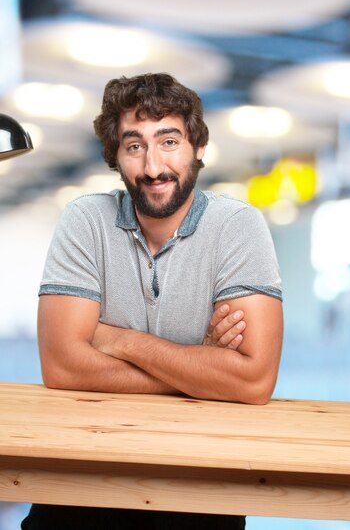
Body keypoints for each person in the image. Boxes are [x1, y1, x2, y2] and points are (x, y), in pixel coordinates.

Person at [22, 73, 283, 530]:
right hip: (80, 485)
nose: (153, 166)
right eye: (134, 145)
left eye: (169, 141)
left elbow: (253, 381)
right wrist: (202, 373)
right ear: (116, 157)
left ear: (198, 148)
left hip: (201, 490)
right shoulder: (86, 220)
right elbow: (62, 366)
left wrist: (116, 340)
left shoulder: (238, 226)